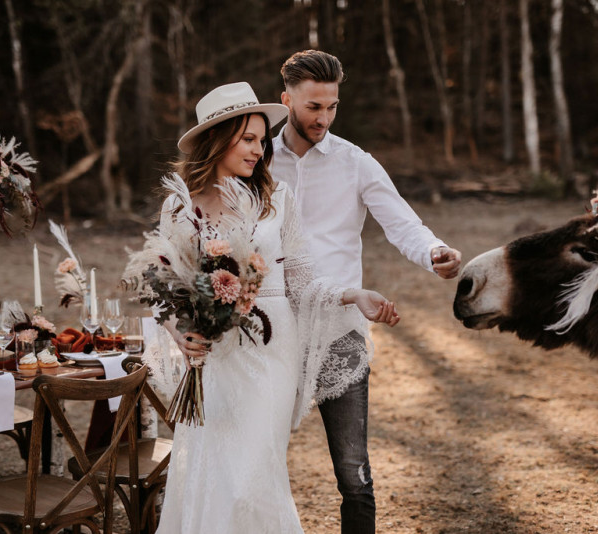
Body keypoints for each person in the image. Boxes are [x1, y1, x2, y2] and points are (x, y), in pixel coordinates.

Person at [136, 82, 401, 533]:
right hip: (214, 359)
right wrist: (184, 334)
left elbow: (301, 278)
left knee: (252, 476)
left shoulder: (277, 200)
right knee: (210, 468)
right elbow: (165, 286)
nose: (260, 150)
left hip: (271, 348)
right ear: (217, 140)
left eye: (262, 140)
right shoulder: (178, 206)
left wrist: (352, 295)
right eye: (248, 139)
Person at [271, 50, 462, 534]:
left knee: (354, 477)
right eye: (314, 106)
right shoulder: (256, 159)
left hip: (340, 329)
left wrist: (435, 251)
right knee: (261, 466)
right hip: (271, 331)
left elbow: (403, 223)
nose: (324, 117)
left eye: (332, 106)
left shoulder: (356, 163)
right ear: (286, 98)